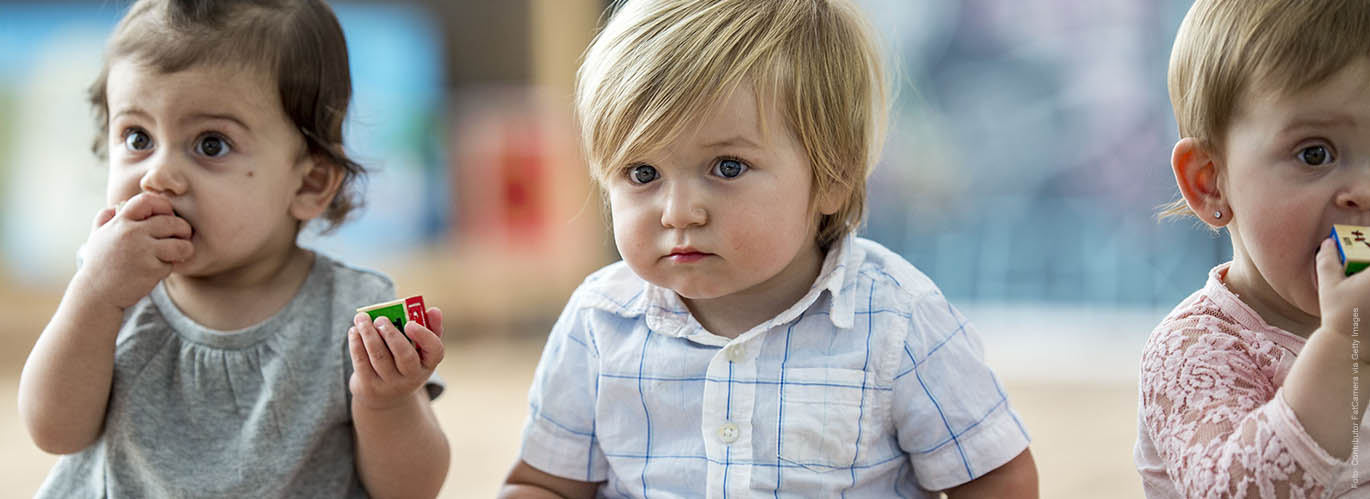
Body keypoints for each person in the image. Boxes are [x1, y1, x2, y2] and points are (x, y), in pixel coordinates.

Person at [499, 0, 1038, 496]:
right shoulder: (600, 323)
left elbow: (995, 478)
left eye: (727, 167)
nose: (679, 211)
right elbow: (545, 485)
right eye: (643, 172)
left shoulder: (898, 321)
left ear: (833, 178)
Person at [16, 1, 450, 496]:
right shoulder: (109, 284)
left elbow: (411, 489)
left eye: (210, 145)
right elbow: (54, 430)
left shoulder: (350, 315)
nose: (158, 175)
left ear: (309, 183)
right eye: (137, 136)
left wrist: (388, 403)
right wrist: (93, 295)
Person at [1138, 0, 1370, 496]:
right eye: (1315, 153)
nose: (1364, 191)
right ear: (1211, 183)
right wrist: (1348, 346)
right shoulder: (1197, 348)